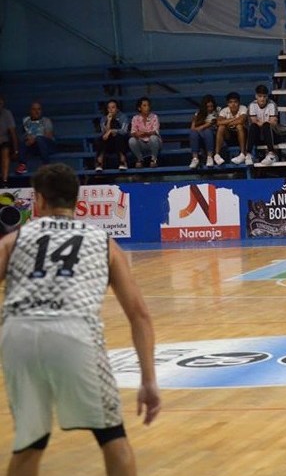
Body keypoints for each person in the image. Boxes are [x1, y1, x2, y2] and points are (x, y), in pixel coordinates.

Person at [0, 163, 161, 476]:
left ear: (39, 200)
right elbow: (139, 314)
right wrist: (149, 380)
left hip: (18, 333)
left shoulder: (15, 240)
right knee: (112, 437)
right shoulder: (102, 241)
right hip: (73, 331)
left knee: (29, 443)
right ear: (77, 200)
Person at [17, 102, 54, 175]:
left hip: (47, 146)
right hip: (34, 147)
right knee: (23, 141)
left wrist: (35, 138)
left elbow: (49, 135)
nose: (37, 111)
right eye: (34, 109)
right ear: (30, 111)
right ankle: (22, 165)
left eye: (39, 109)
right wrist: (27, 137)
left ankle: (46, 164)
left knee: (39, 139)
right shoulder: (26, 121)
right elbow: (24, 135)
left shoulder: (46, 120)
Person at [247, 85, 279, 166]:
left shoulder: (272, 104)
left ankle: (271, 154)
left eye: (264, 96)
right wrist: (265, 122)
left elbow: (273, 122)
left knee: (266, 125)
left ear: (267, 96)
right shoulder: (252, 105)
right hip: (258, 134)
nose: (262, 99)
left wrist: (263, 123)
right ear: (256, 96)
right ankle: (248, 154)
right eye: (260, 96)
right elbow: (254, 121)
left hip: (271, 133)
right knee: (253, 126)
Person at [214, 92, 249, 166]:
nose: (233, 104)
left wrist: (226, 122)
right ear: (227, 103)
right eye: (230, 102)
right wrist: (233, 119)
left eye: (235, 102)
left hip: (242, 136)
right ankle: (217, 155)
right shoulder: (224, 110)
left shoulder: (243, 108)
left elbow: (241, 120)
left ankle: (242, 154)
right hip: (229, 137)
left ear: (239, 102)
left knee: (239, 126)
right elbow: (218, 122)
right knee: (221, 127)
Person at [95, 99, 129, 172]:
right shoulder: (104, 118)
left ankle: (122, 161)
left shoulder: (123, 117)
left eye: (113, 107)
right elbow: (104, 133)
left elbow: (124, 131)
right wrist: (109, 121)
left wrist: (112, 131)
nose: (111, 110)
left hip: (121, 141)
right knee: (101, 139)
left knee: (119, 137)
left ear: (117, 109)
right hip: (109, 143)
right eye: (109, 108)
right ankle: (99, 162)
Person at [129, 97, 161, 168]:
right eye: (144, 105)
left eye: (148, 105)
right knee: (131, 140)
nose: (147, 107)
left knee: (153, 138)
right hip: (141, 142)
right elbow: (133, 132)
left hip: (153, 143)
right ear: (139, 108)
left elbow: (155, 131)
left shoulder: (154, 117)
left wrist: (146, 133)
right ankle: (140, 159)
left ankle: (154, 159)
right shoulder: (135, 118)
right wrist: (137, 134)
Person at [188, 94, 218, 169]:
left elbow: (211, 123)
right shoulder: (199, 113)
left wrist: (201, 127)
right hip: (200, 135)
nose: (210, 108)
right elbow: (193, 127)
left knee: (207, 131)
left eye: (211, 106)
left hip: (213, 135)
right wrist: (196, 125)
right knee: (193, 133)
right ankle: (195, 158)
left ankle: (210, 157)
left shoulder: (217, 110)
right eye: (208, 107)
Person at [0, 96, 20, 185]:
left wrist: (16, 150)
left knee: (5, 151)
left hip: (4, 140)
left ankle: (4, 181)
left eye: (0, 103)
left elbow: (13, 132)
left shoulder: (7, 113)